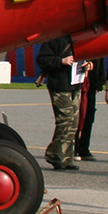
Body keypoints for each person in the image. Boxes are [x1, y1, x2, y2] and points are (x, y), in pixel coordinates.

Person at [37, 35, 82, 171]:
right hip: (60, 86)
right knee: (65, 121)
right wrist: (61, 61)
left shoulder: (79, 40)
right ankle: (54, 154)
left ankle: (67, 157)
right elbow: (42, 60)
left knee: (73, 123)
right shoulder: (55, 39)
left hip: (75, 85)